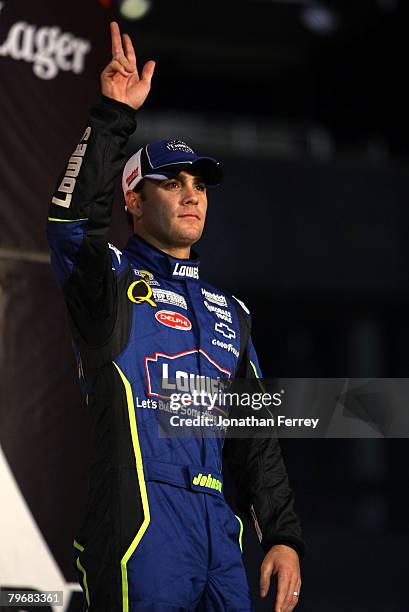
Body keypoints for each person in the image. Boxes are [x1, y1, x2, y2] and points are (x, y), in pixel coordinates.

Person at [47, 21, 304, 612]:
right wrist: (112, 117)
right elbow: (68, 223)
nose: (191, 195)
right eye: (171, 183)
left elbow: (256, 438)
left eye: (200, 185)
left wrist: (284, 534)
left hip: (220, 532)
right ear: (133, 200)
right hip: (140, 523)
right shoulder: (108, 279)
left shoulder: (229, 312)